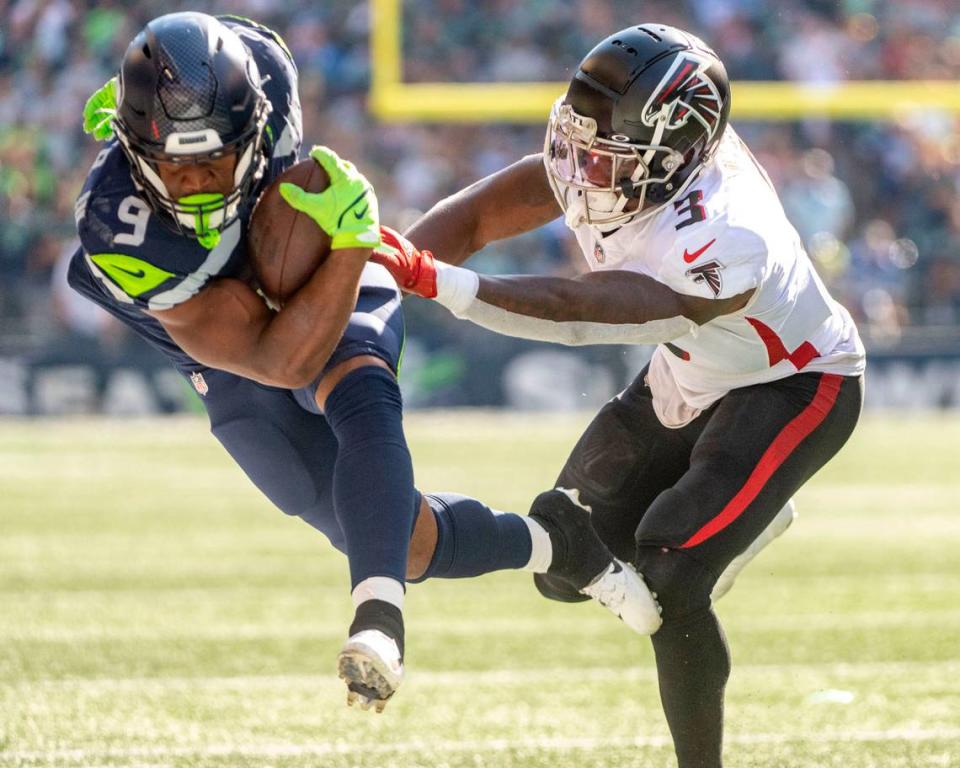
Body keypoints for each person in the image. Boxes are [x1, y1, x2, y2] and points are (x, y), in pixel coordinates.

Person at [69, 12, 657, 713]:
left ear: (252, 124)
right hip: (223, 327)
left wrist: (344, 240)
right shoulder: (117, 225)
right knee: (395, 535)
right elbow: (279, 360)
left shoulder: (265, 70)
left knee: (361, 385)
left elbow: (200, 77)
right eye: (174, 163)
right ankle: (558, 543)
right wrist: (350, 244)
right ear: (135, 150)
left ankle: (379, 621)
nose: (197, 181)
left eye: (218, 158)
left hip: (309, 251)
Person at [372, 23, 865, 766]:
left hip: (793, 382)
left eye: (606, 154)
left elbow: (581, 310)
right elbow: (472, 218)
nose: (581, 166)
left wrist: (438, 283)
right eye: (579, 142)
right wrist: (380, 281)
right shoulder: (616, 157)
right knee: (560, 565)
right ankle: (742, 513)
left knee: (672, 573)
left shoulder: (731, 235)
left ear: (674, 155)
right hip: (689, 366)